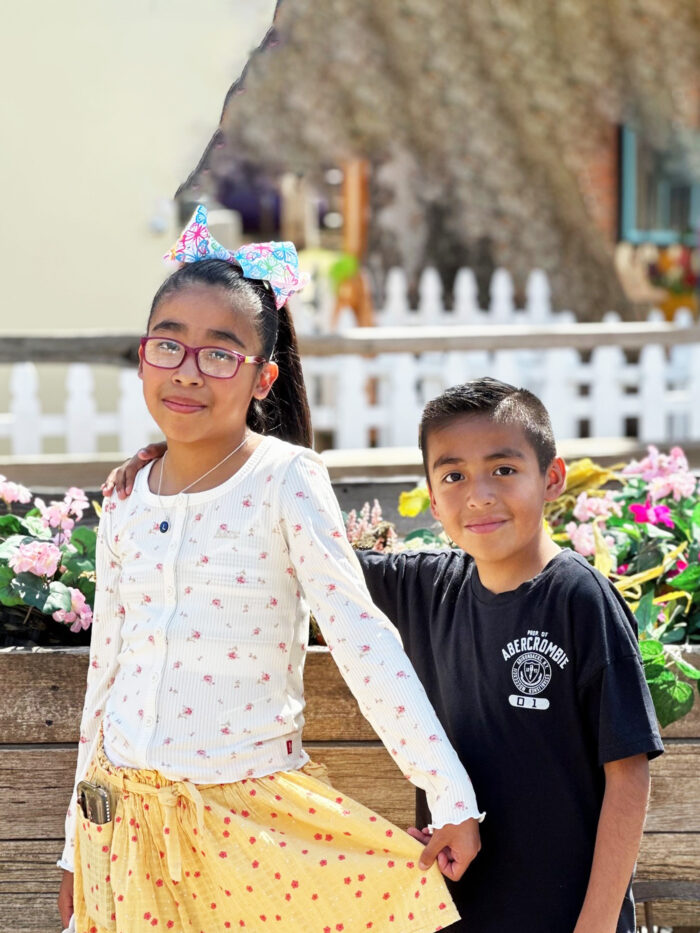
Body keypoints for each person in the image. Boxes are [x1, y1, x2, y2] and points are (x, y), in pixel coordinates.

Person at [57, 207, 484, 933]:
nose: (189, 372)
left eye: (220, 354)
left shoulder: (286, 479)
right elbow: (106, 673)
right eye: (170, 346)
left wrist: (450, 797)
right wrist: (74, 845)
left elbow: (361, 639)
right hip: (121, 825)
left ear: (263, 377)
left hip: (247, 822)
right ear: (141, 357)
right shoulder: (126, 496)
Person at [111, 375, 664, 933]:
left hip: (569, 916)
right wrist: (185, 461)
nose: (478, 494)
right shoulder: (422, 588)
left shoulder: (578, 598)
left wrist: (594, 925)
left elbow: (628, 774)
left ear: (552, 478)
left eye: (503, 469)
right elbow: (289, 542)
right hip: (455, 910)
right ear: (429, 491)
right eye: (453, 475)